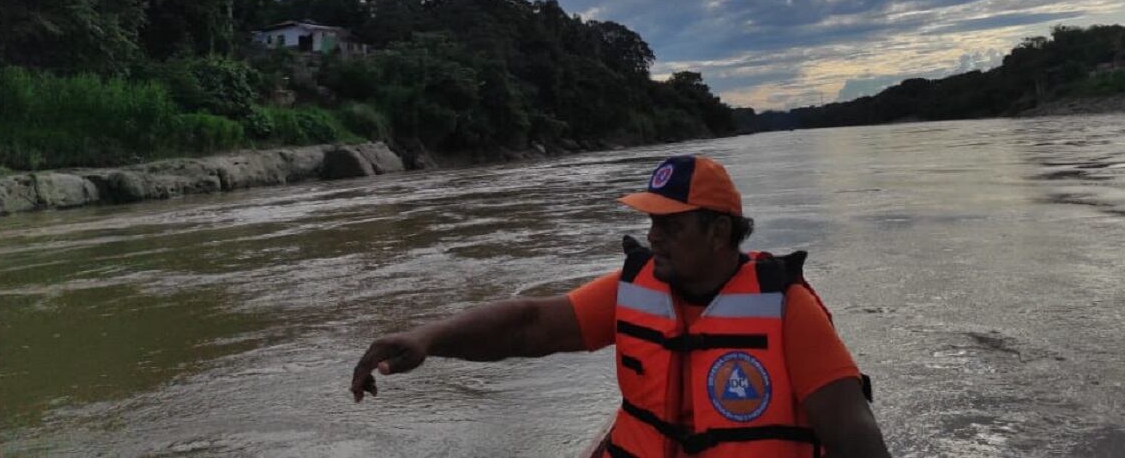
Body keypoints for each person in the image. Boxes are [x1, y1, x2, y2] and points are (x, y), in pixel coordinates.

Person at [351, 154, 890, 458]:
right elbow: (529, 325)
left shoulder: (787, 307)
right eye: (651, 221)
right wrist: (429, 338)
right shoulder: (634, 289)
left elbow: (855, 436)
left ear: (719, 232)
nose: (652, 237)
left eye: (670, 224)